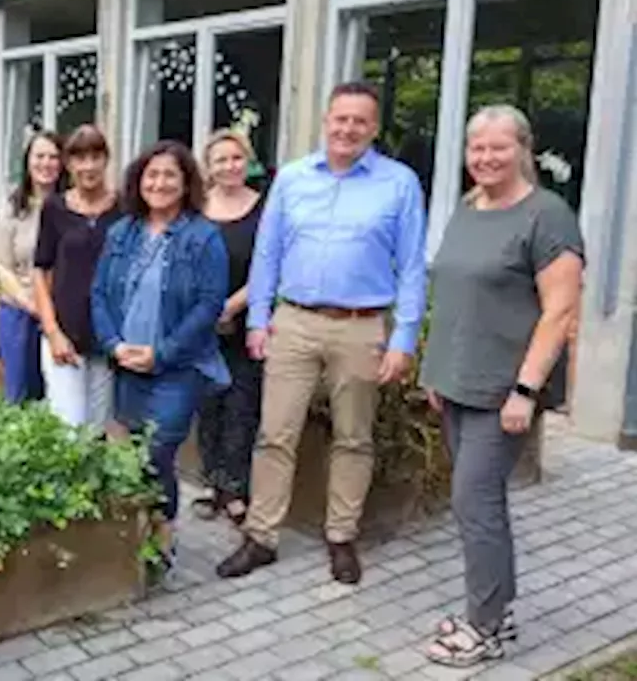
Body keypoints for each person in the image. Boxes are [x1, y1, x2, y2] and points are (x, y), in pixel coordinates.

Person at [216, 81, 428, 584]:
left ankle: (341, 536)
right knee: (275, 433)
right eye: (341, 119)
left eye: (360, 121)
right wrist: (258, 320)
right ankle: (262, 535)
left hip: (361, 327)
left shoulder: (398, 184)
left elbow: (414, 267)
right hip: (293, 322)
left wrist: (403, 339)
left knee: (354, 437)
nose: (348, 129)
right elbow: (268, 254)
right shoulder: (291, 179)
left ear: (374, 128)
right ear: (326, 121)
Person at [420, 105, 583, 667]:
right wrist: (436, 372)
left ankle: (484, 627)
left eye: (498, 148)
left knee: (475, 502)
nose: (486, 158)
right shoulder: (469, 208)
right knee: (478, 506)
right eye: (477, 149)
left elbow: (560, 311)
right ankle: (497, 609)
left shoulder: (547, 216)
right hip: (458, 381)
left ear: (524, 150)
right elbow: (456, 297)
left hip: (505, 390)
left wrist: (527, 390)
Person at [92, 139, 230, 581]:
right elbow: (98, 294)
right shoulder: (121, 233)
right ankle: (138, 532)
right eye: (152, 174)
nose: (160, 182)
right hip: (126, 364)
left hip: (175, 369)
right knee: (131, 455)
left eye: (170, 174)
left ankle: (164, 535)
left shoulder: (203, 236)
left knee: (157, 454)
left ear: (186, 181)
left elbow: (209, 306)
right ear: (139, 180)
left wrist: (162, 353)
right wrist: (113, 344)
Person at [192, 129, 265, 526]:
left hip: (246, 323)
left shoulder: (263, 208)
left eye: (236, 158)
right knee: (207, 405)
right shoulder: (197, 208)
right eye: (220, 160)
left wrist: (231, 306)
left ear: (247, 161)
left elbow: (268, 267)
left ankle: (236, 488)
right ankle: (210, 482)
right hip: (201, 327)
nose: (229, 166)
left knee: (241, 406)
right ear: (209, 166)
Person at [33, 125, 123, 431]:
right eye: (80, 158)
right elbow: (40, 270)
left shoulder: (124, 208)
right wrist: (52, 331)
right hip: (65, 335)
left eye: (96, 156)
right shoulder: (55, 208)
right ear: (68, 164)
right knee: (70, 428)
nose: (89, 166)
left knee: (96, 431)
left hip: (108, 338)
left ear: (106, 159)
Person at [0, 131, 66, 404]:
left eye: (54, 157)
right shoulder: (14, 207)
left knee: (59, 399)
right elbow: (1, 264)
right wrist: (30, 303)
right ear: (28, 161)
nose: (46, 163)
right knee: (20, 395)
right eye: (40, 156)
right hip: (20, 313)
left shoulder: (72, 206)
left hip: (63, 316)